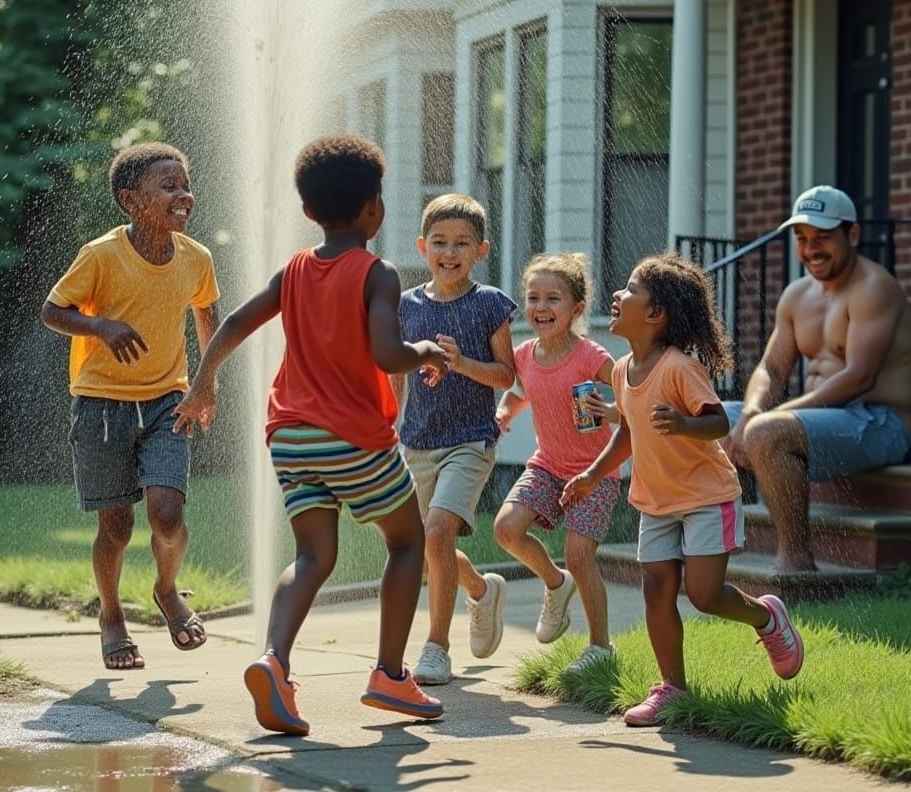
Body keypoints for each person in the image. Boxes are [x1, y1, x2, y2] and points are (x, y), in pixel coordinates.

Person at [174, 135, 447, 736]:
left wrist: (203, 384)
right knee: (406, 543)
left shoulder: (295, 267)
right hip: (352, 435)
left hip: (291, 435)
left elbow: (239, 322)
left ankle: (274, 660)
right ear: (375, 207)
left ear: (307, 211)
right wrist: (425, 349)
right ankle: (389, 675)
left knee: (311, 556)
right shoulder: (378, 273)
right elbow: (386, 353)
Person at [562, 253, 804, 726]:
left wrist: (682, 423)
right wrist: (592, 475)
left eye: (629, 289)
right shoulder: (621, 370)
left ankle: (767, 618)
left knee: (705, 594)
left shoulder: (678, 367)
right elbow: (628, 432)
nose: (617, 294)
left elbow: (717, 422)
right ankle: (672, 686)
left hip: (706, 498)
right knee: (657, 588)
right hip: (655, 501)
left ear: (655, 315)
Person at [41, 141, 220, 671]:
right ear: (132, 200)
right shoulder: (100, 255)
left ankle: (167, 589)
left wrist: (206, 384)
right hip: (100, 405)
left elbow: (209, 319)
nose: (183, 195)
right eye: (168, 186)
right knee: (116, 528)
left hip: (168, 401)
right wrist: (100, 325)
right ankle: (112, 614)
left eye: (185, 184)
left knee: (167, 514)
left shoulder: (196, 258)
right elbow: (52, 310)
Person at [722, 185, 911, 574]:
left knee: (766, 432)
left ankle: (796, 561)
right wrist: (748, 413)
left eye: (823, 238)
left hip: (881, 423)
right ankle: (711, 544)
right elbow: (772, 370)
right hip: (822, 423)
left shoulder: (874, 289)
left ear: (854, 235)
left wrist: (760, 424)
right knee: (702, 417)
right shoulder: (797, 296)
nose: (811, 248)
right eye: (802, 238)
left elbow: (859, 378)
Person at [393, 193, 517, 686]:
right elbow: (395, 373)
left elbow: (506, 374)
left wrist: (462, 362)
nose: (450, 252)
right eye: (440, 242)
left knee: (438, 533)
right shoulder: (405, 306)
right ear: (423, 246)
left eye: (462, 243)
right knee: (429, 545)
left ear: (481, 250)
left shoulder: (490, 305)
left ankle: (436, 648)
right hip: (416, 441)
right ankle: (481, 590)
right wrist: (388, 424)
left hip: (470, 439)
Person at [493, 252, 620, 672]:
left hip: (595, 472)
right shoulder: (525, 354)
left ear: (577, 309)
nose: (541, 308)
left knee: (580, 556)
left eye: (553, 299)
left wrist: (612, 411)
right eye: (533, 298)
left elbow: (634, 394)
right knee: (507, 529)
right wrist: (505, 412)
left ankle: (601, 647)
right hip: (547, 464)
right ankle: (554, 582)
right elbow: (520, 390)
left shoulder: (591, 356)